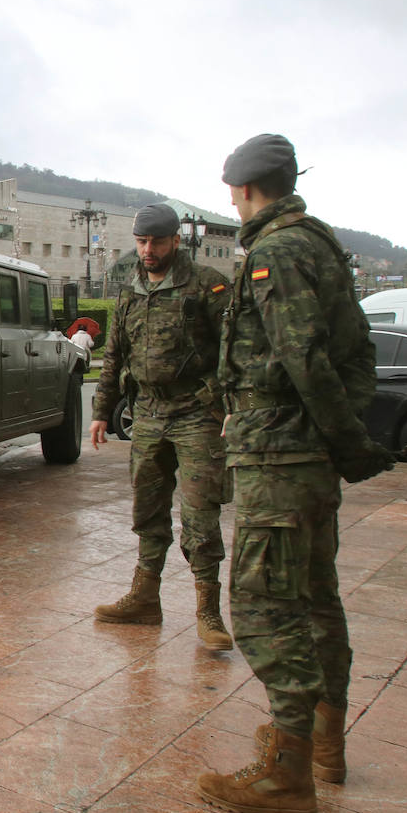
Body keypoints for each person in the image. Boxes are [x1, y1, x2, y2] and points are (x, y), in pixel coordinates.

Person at [196, 134, 395, 813]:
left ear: (244, 188)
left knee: (260, 605)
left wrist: (347, 442)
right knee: (315, 598)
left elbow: (303, 357)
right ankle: (323, 746)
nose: (228, 198)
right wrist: (338, 441)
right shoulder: (321, 244)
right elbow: (353, 350)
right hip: (302, 455)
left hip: (279, 459)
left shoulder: (276, 251)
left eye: (229, 188)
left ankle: (286, 773)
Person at [88, 204, 234, 650]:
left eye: (155, 242)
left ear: (176, 240)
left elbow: (236, 350)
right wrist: (101, 409)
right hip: (148, 413)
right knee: (148, 511)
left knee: (199, 514)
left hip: (197, 414)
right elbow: (114, 354)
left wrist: (236, 405)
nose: (147, 250)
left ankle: (208, 611)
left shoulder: (209, 285)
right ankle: (145, 599)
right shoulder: (130, 289)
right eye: (141, 242)